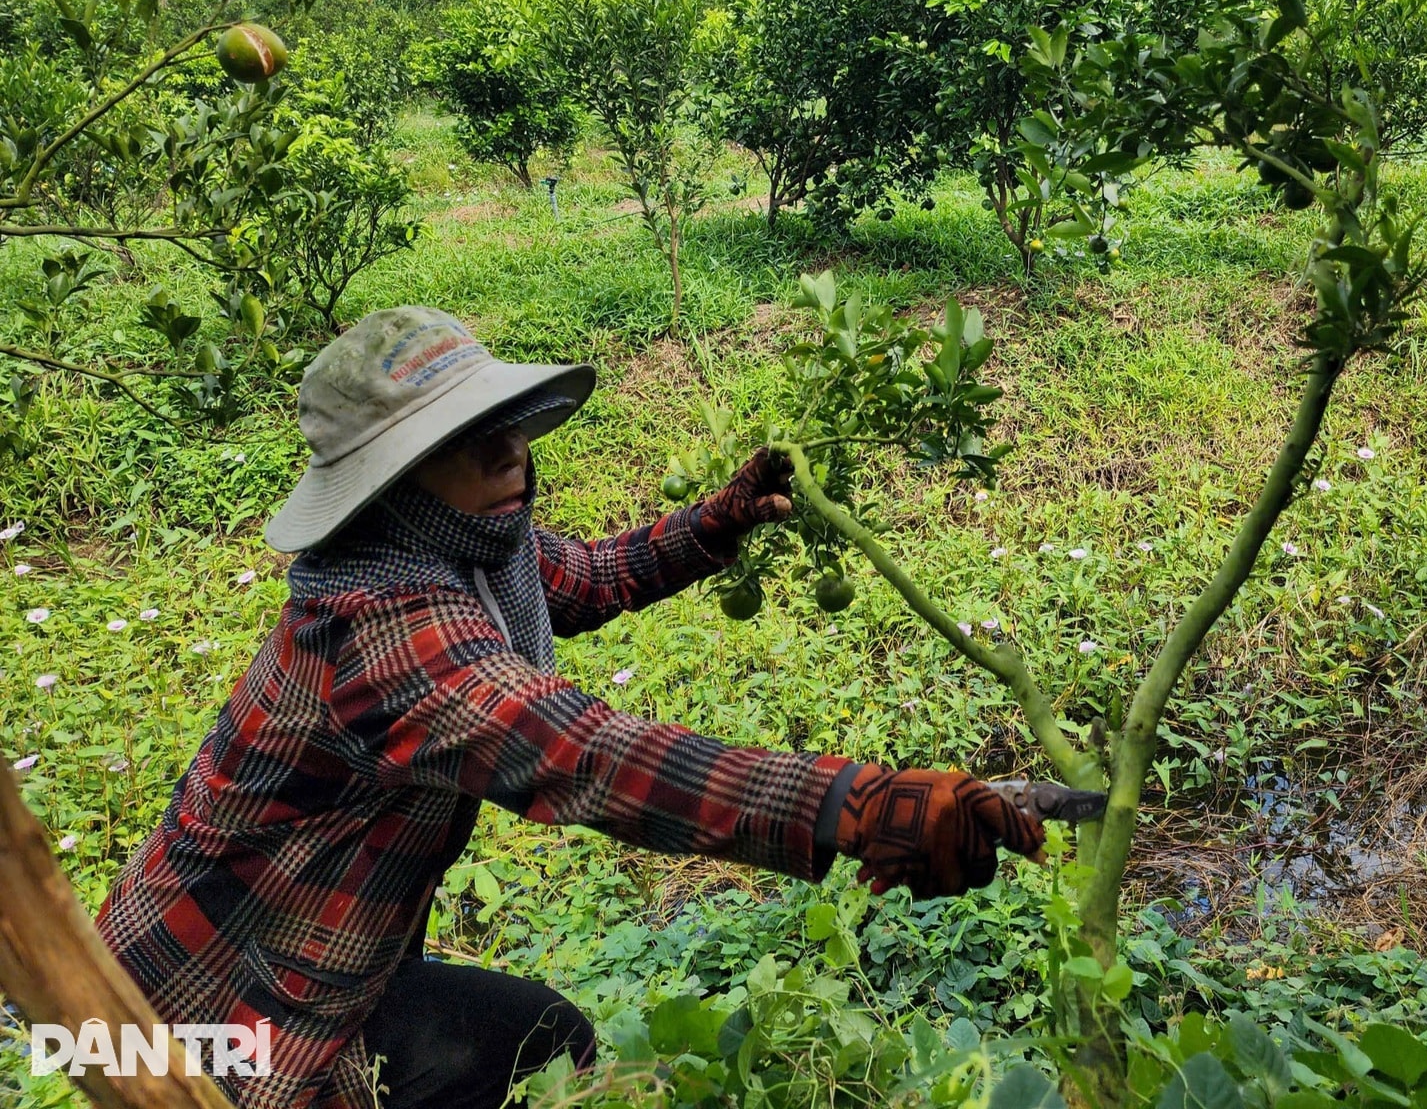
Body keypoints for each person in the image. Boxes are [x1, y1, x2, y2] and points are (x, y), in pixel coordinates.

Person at [95, 307, 1044, 1109]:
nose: (510, 446)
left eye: (504, 419)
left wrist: (712, 525)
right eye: (465, 438)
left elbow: (580, 577)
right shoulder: (387, 627)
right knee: (538, 1044)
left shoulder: (468, 548)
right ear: (394, 481)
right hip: (204, 1011)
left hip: (320, 948)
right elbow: (590, 756)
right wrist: (858, 806)